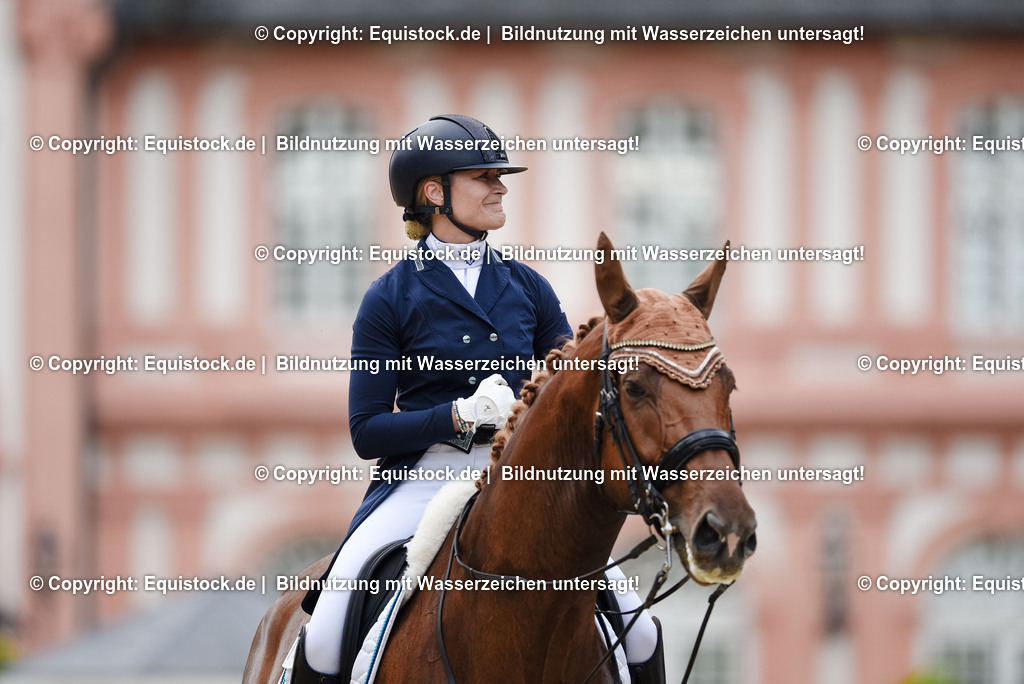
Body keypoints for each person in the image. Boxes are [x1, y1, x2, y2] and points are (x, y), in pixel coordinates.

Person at [290, 114, 661, 684]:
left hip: (520, 481)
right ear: (434, 193)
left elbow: (571, 389)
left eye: (500, 176)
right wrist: (455, 417)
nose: (500, 187)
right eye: (484, 176)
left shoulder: (527, 286)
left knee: (639, 627)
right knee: (327, 628)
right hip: (422, 481)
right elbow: (366, 431)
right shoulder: (388, 296)